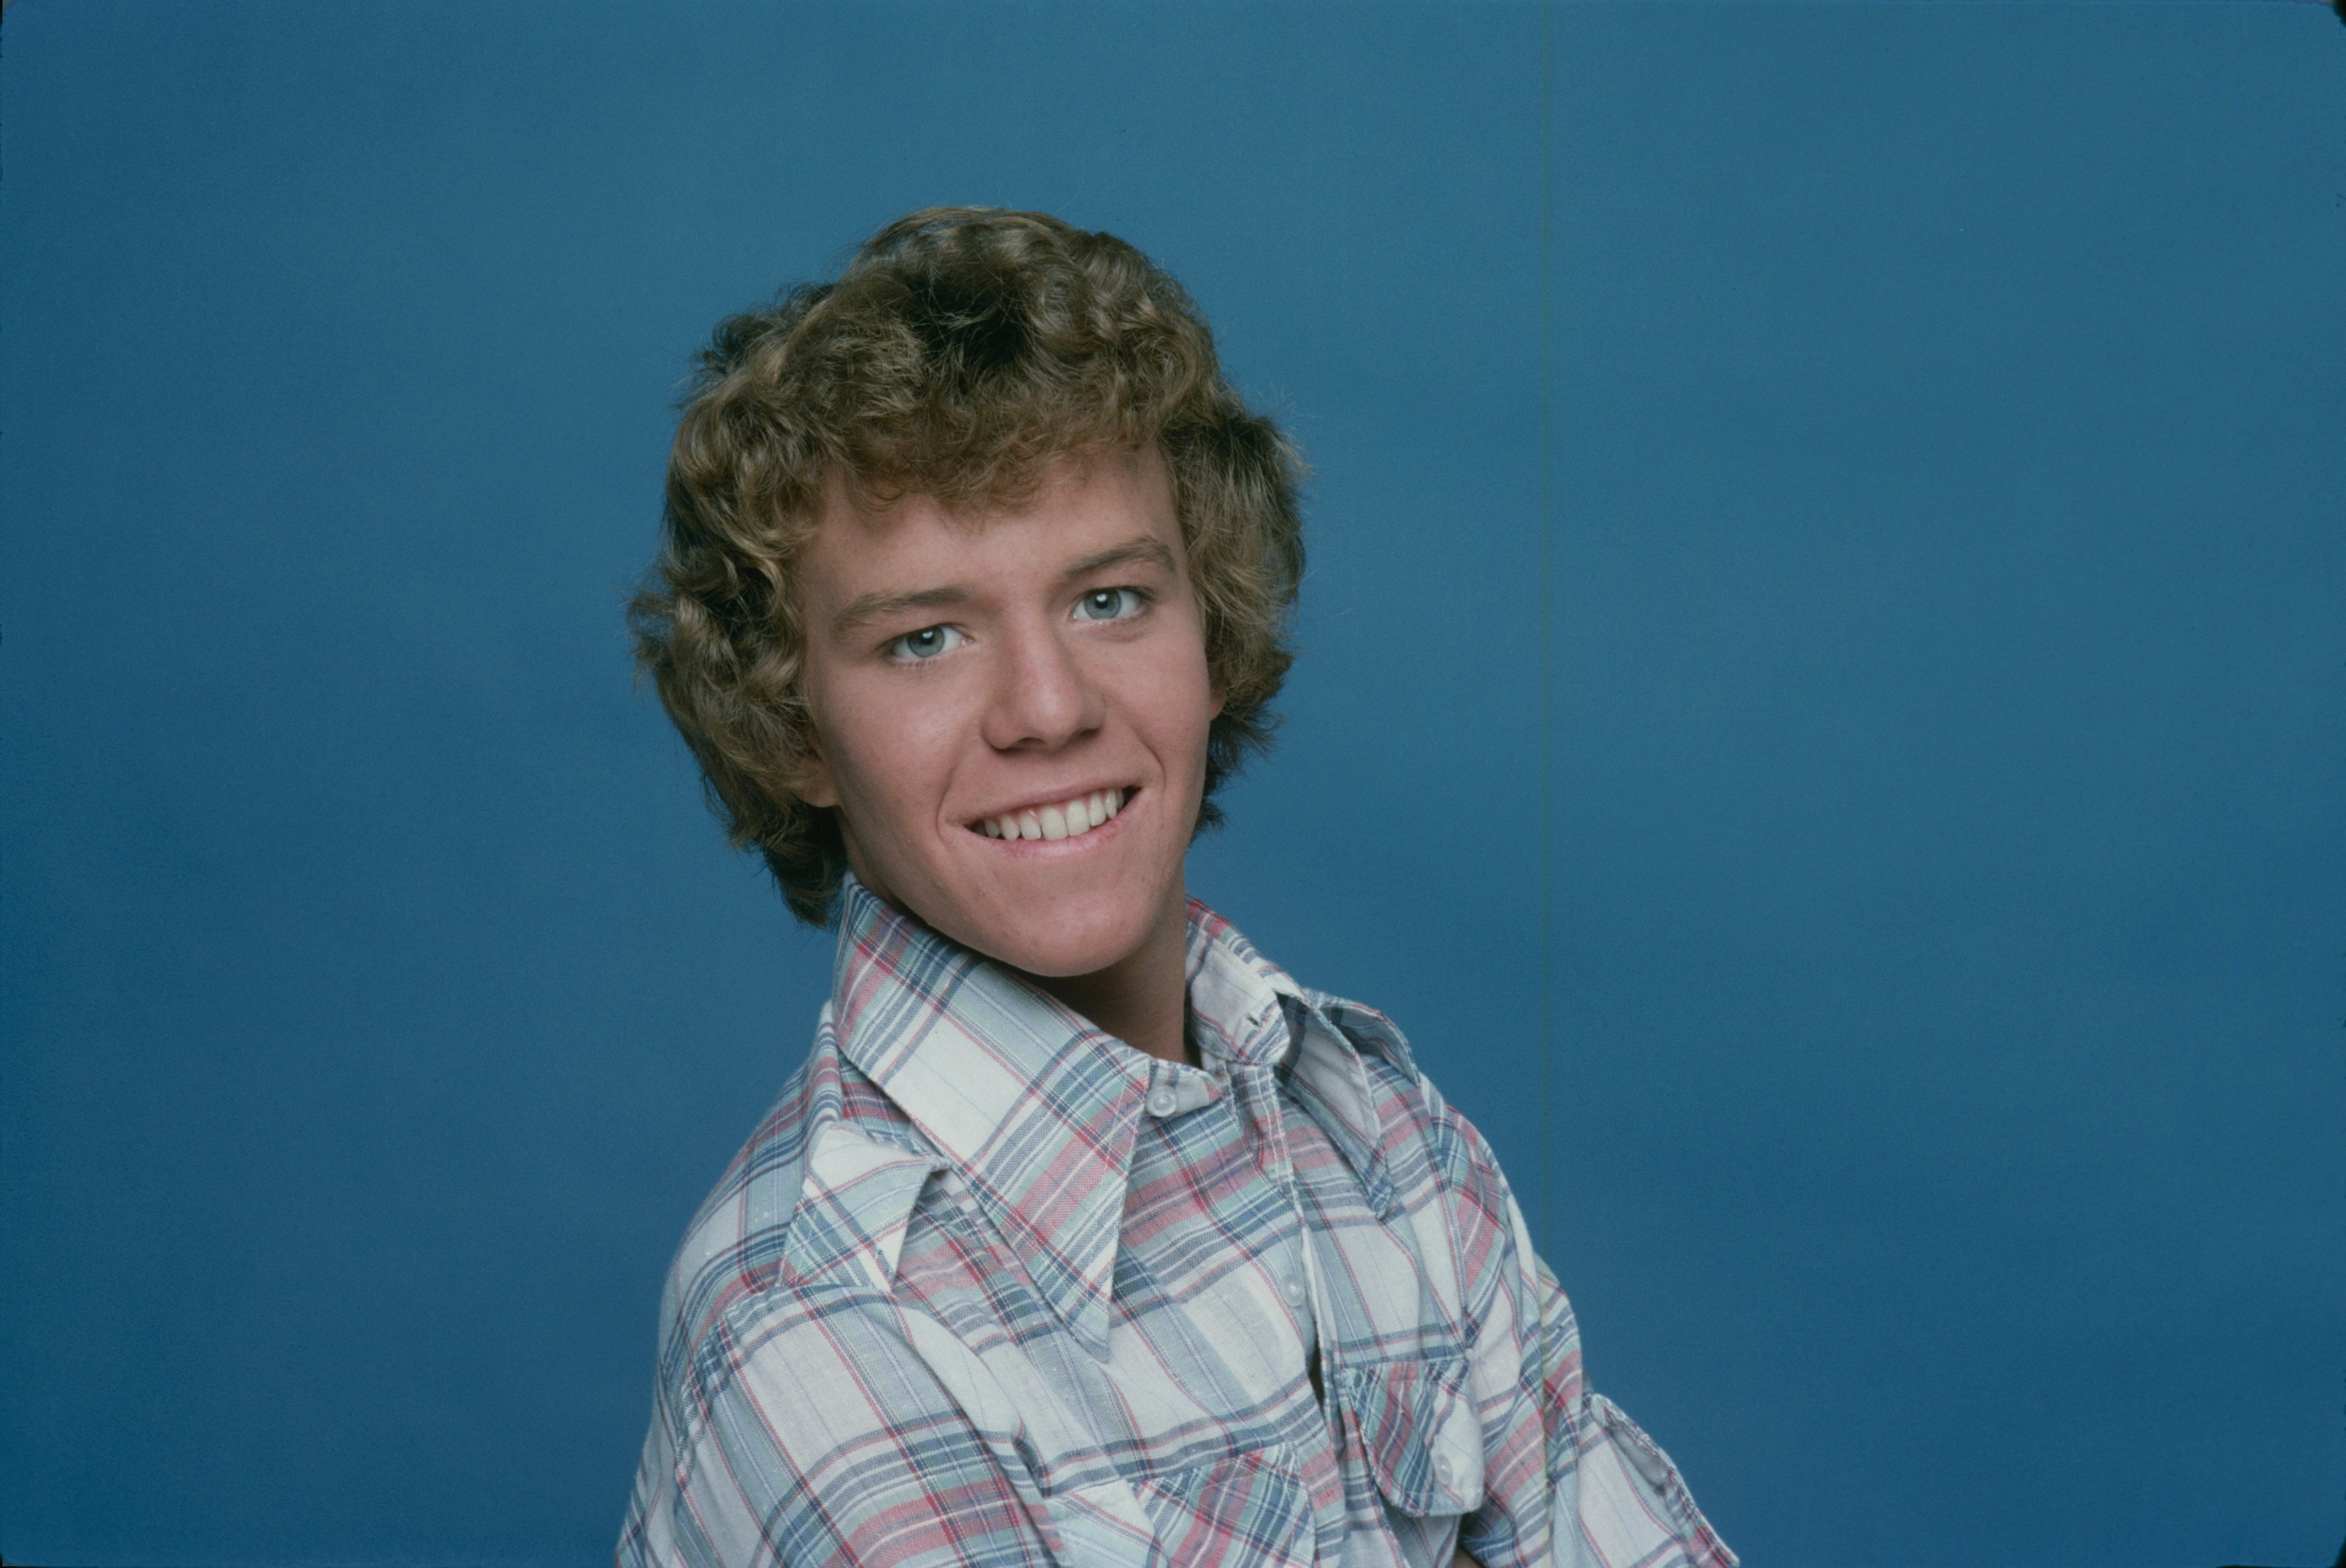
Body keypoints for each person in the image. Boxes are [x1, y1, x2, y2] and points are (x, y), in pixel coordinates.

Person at [616, 207, 1734, 1568]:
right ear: (799, 733)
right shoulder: (813, 1318)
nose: (1046, 708)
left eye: (1108, 601)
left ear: (1212, 634)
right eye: (926, 638)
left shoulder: (1373, 1129)